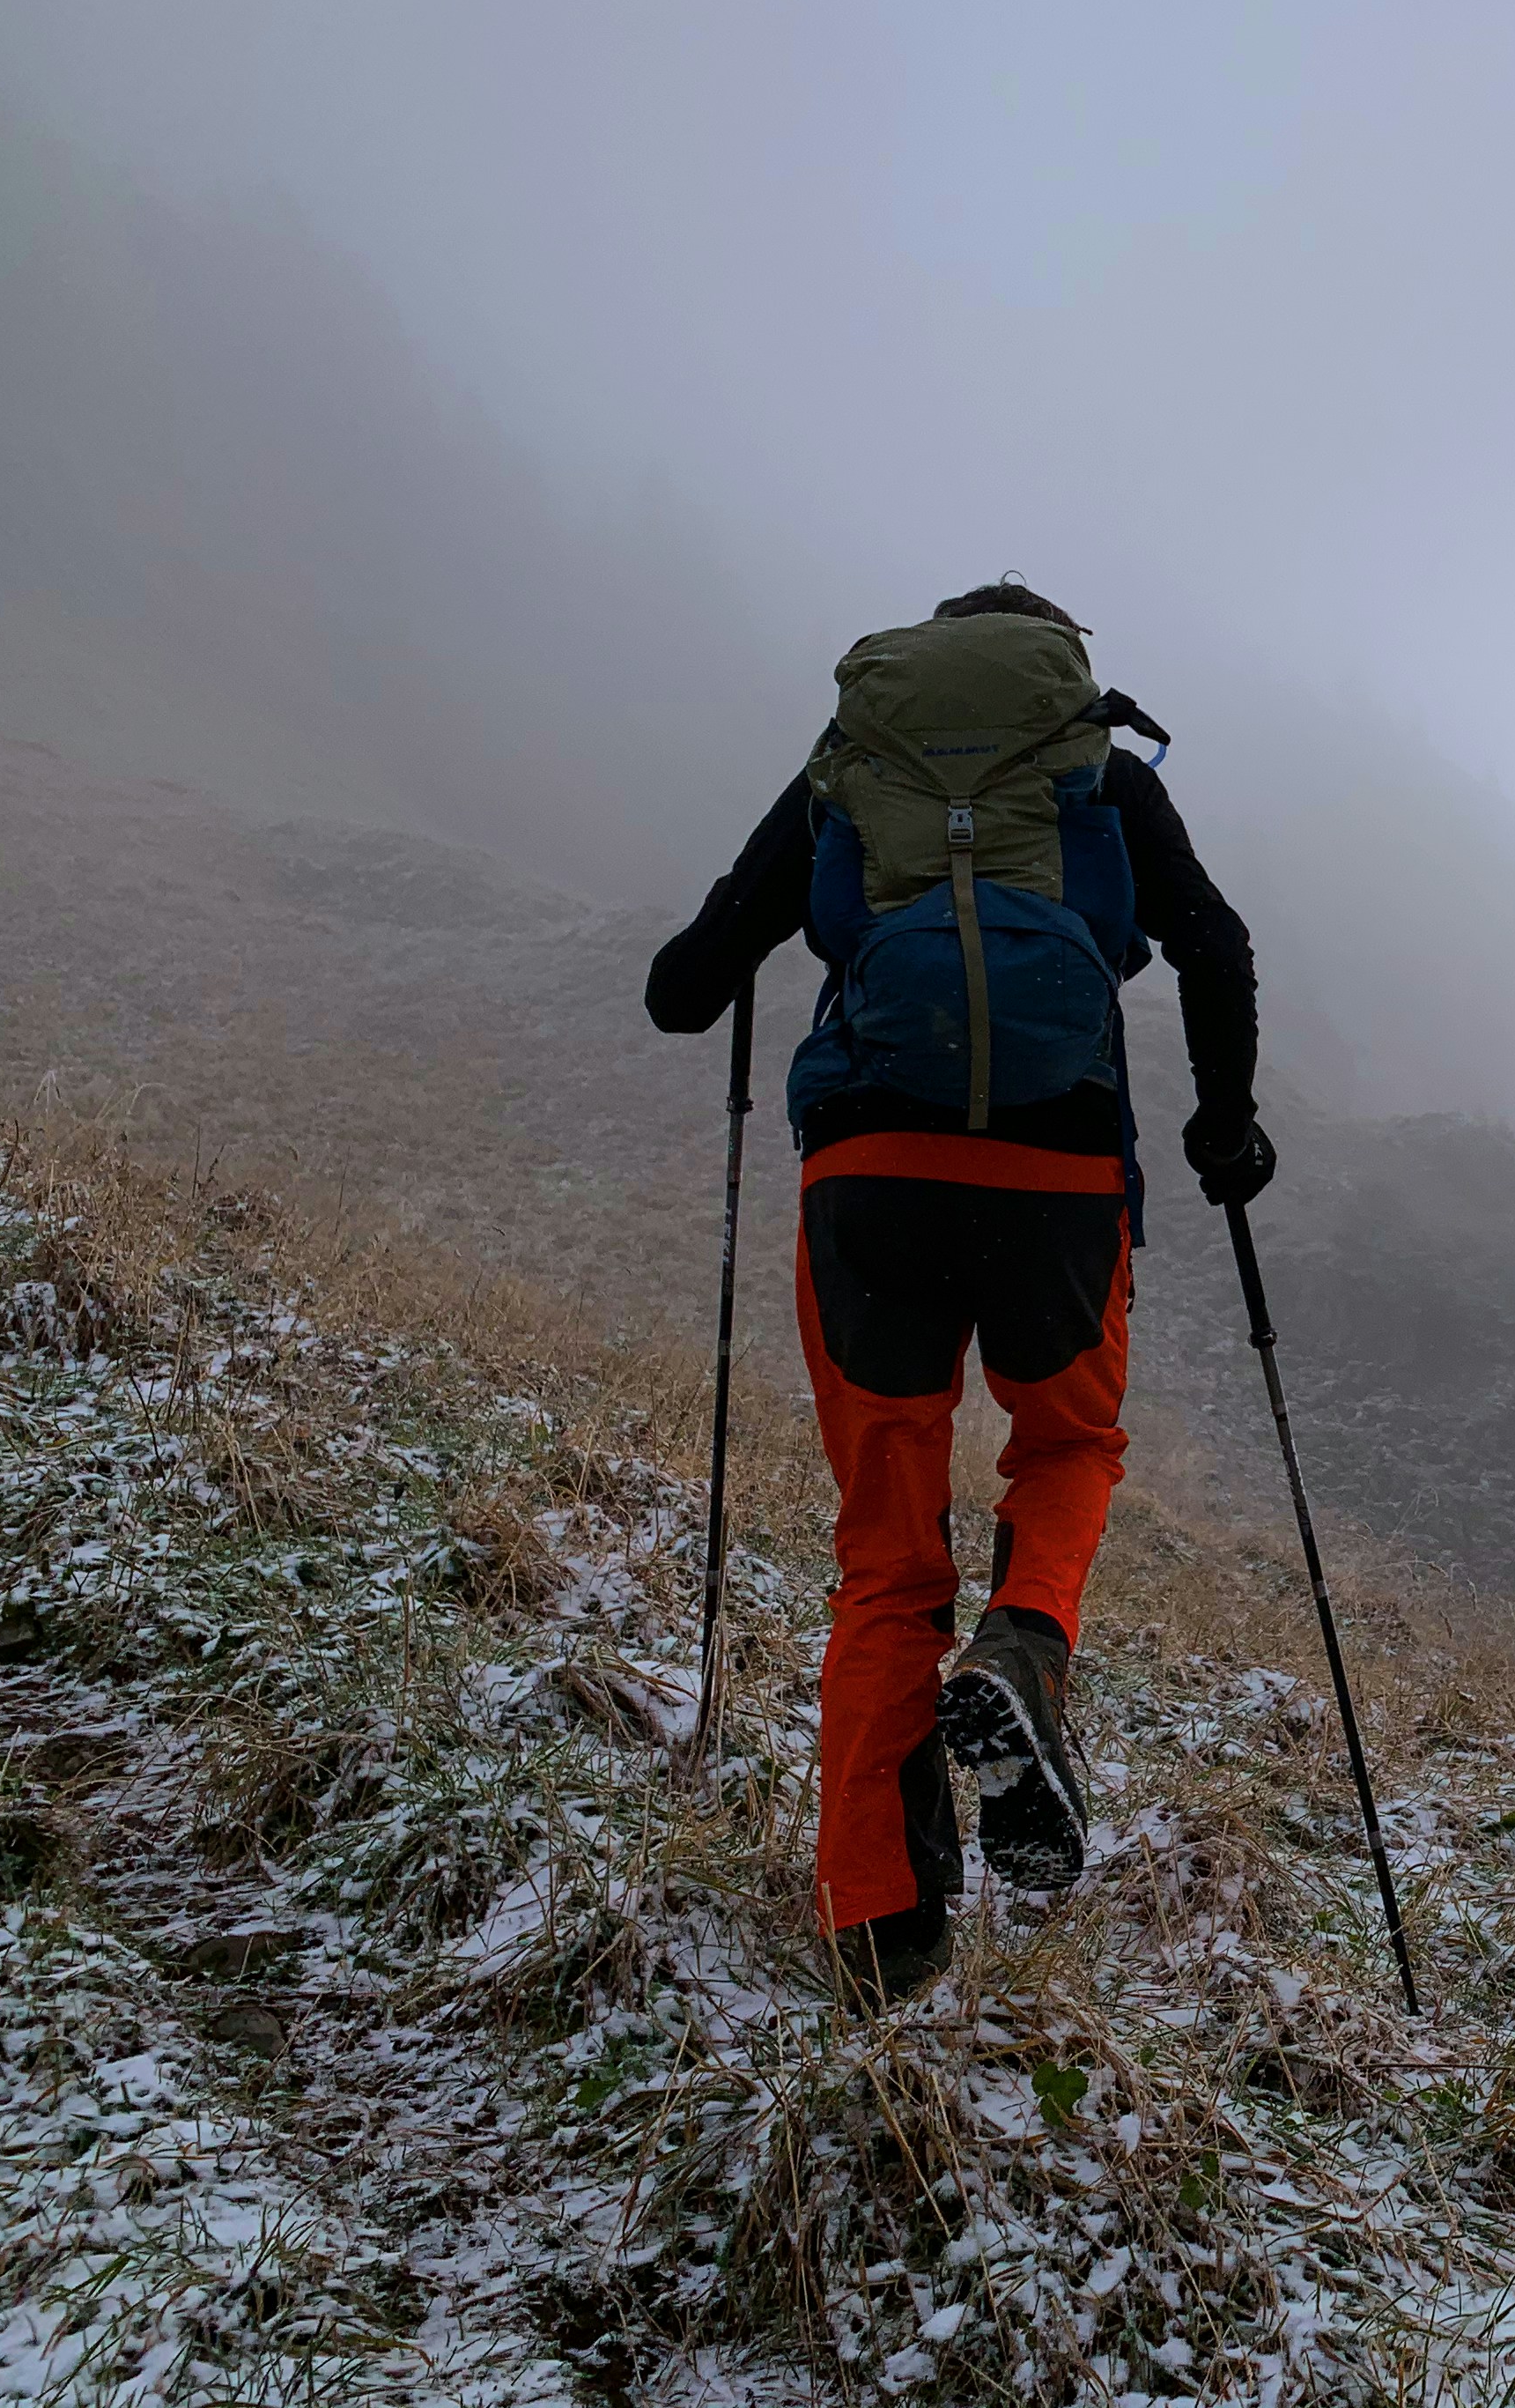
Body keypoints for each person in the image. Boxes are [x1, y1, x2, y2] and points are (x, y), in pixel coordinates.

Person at [644, 580, 1273, 2004]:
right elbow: (1217, 946)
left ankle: (877, 1931)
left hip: (868, 1176)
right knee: (1069, 1443)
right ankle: (1027, 1642)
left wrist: (753, 945)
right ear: (1055, 669)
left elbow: (683, 991)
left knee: (884, 1554)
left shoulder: (848, 768)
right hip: (1061, 1180)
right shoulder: (1098, 774)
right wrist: (1223, 1129)